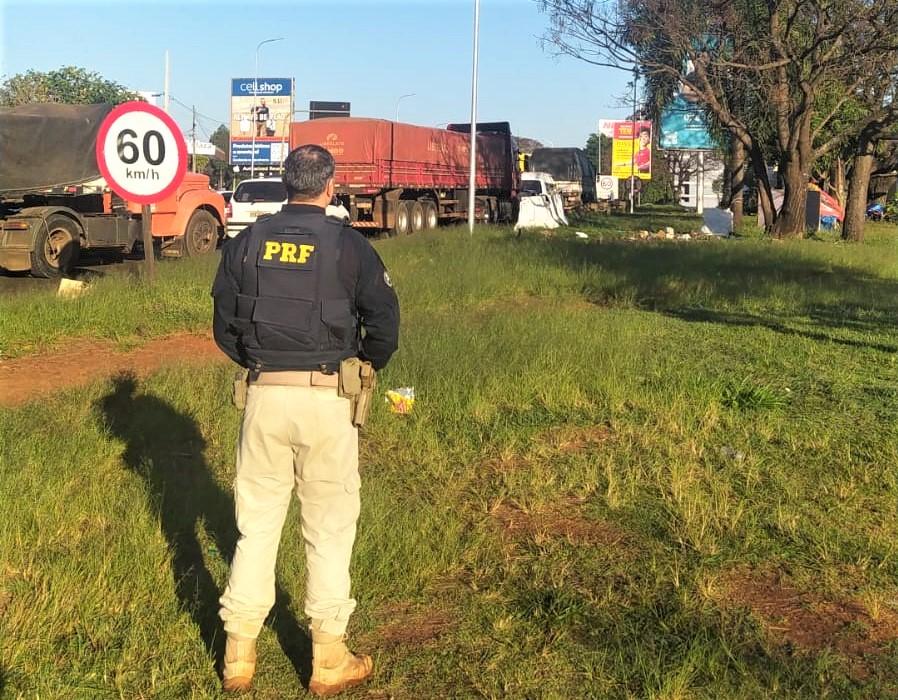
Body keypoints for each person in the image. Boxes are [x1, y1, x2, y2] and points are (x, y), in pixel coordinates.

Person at [211, 144, 400, 695]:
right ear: (330, 185)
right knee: (329, 529)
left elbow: (225, 325)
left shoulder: (245, 244)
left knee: (255, 527)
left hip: (264, 396)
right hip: (327, 401)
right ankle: (328, 659)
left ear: (284, 183)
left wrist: (259, 364)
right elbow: (384, 322)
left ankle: (238, 658)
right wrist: (366, 363)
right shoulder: (350, 246)